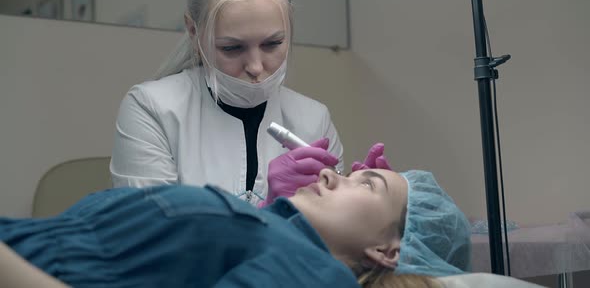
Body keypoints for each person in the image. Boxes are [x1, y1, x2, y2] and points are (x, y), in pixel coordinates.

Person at [110, 0, 348, 206]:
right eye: (232, 48)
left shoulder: (313, 120)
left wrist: (382, 207)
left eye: (273, 43)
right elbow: (152, 235)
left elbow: (336, 241)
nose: (255, 67)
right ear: (193, 31)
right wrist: (274, 212)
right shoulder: (152, 109)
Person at [0, 168, 473, 287]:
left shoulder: (316, 276)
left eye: (366, 184)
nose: (331, 173)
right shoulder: (270, 232)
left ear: (387, 251)